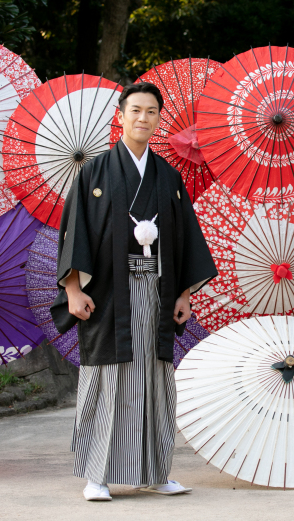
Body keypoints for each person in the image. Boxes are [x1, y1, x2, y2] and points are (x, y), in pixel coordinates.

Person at [53, 82, 217, 501]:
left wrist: (183, 294)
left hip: (158, 290)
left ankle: (157, 471)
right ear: (120, 115)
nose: (143, 118)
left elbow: (184, 240)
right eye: (136, 110)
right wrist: (73, 288)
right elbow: (75, 234)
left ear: (158, 119)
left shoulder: (169, 176)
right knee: (107, 378)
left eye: (151, 112)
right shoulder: (94, 171)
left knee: (155, 380)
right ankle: (98, 476)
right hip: (109, 292)